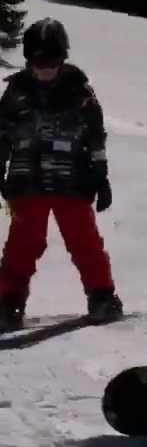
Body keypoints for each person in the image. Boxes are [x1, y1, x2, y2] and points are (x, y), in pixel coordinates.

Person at [0, 18, 121, 330]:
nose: (45, 70)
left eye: (51, 63)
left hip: (73, 181)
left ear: (63, 58)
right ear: (28, 60)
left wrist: (100, 175)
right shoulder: (15, 93)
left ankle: (101, 295)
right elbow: (1, 137)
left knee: (84, 241)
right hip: (27, 182)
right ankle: (8, 301)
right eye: (38, 63)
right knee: (22, 244)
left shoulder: (80, 93)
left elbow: (95, 137)